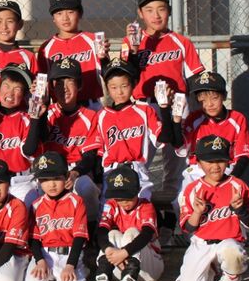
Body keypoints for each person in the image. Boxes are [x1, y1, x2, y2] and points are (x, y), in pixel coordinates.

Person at [123, 0, 205, 201]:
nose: (156, 15)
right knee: (139, 160)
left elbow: (196, 77)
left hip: (177, 103)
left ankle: (173, 212)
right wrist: (133, 51)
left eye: (161, 9)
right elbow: (124, 78)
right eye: (149, 10)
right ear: (140, 13)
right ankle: (140, 210)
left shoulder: (181, 42)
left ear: (169, 10)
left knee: (176, 162)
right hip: (144, 106)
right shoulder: (132, 42)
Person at [75, 57, 182, 202]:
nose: (119, 92)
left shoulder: (144, 111)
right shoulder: (101, 116)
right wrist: (95, 178)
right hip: (111, 173)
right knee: (109, 212)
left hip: (138, 173)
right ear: (107, 88)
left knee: (141, 210)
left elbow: (165, 138)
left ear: (133, 84)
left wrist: (164, 108)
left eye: (124, 86)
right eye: (113, 87)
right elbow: (95, 153)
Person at [175, 135, 249, 281]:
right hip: (201, 243)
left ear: (228, 161)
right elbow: (188, 228)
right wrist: (197, 213)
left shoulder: (238, 186)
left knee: (232, 251)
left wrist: (239, 209)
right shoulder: (193, 189)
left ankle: (232, 275)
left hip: (229, 241)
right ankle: (213, 268)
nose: (215, 166)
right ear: (198, 163)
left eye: (220, 160)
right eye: (209, 161)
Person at [35, 57, 101, 223]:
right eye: (58, 83)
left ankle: (91, 227)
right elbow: (40, 137)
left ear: (79, 85)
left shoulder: (90, 116)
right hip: (50, 171)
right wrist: (42, 108)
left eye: (69, 81)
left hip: (77, 170)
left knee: (86, 187)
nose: (63, 87)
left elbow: (90, 156)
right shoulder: (48, 113)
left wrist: (75, 172)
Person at [176, 70, 249, 203]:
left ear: (224, 96)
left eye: (214, 98)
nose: (209, 104)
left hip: (225, 169)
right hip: (197, 170)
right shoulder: (194, 119)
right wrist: (175, 121)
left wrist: (231, 179)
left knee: (225, 202)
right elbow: (180, 146)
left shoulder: (237, 118)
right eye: (203, 100)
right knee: (181, 200)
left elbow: (244, 156)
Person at [22, 151, 90, 281]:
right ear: (39, 182)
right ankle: (53, 277)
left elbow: (79, 237)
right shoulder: (36, 205)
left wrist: (70, 265)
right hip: (45, 255)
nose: (51, 184)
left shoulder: (76, 201)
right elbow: (34, 239)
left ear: (66, 176)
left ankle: (79, 269)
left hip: (69, 254)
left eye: (56, 178)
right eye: (45, 179)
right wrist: (40, 261)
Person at [91, 166, 163, 281]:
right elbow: (101, 231)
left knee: (132, 232)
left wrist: (124, 253)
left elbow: (146, 235)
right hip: (119, 267)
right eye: (119, 198)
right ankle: (102, 279)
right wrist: (108, 249)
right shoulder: (111, 205)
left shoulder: (146, 206)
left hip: (148, 270)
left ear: (138, 190)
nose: (124, 202)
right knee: (112, 234)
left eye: (128, 197)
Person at [37, 0, 107, 109]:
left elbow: (107, 74)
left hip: (91, 105)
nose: (65, 18)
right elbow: (43, 85)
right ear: (53, 18)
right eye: (59, 13)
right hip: (61, 107)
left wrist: (105, 58)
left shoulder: (93, 40)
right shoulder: (46, 48)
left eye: (70, 12)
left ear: (80, 13)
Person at [0, 65, 40, 204]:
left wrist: (36, 117)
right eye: (6, 86)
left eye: (17, 89)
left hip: (21, 181)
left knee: (27, 206)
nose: (10, 93)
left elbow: (29, 150)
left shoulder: (27, 119)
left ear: (24, 94)